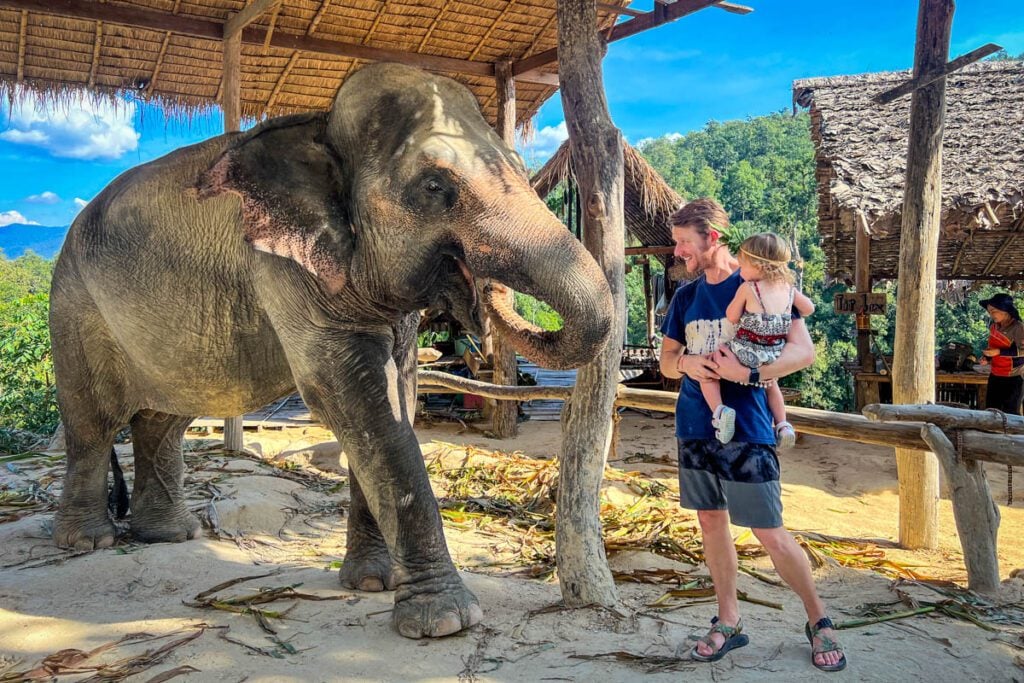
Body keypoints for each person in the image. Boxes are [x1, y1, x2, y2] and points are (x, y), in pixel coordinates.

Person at [659, 198, 846, 672]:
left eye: (684, 243)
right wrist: (688, 363)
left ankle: (818, 619)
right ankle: (729, 620)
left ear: (712, 239)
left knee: (769, 531)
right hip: (695, 423)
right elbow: (666, 360)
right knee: (710, 523)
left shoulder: (767, 285)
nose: (678, 252)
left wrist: (749, 371)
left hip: (749, 430)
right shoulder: (684, 298)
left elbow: (803, 352)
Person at [699, 232, 815, 448]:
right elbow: (809, 308)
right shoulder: (789, 290)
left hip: (745, 351)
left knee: (708, 370)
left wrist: (741, 308)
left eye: (743, 266)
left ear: (759, 266)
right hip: (773, 355)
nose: (740, 272)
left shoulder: (749, 288)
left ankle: (720, 412)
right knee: (771, 384)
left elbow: (732, 316)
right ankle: (782, 424)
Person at [979, 292, 1024, 415]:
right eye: (989, 311)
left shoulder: (1018, 327)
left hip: (1014, 378)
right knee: (991, 412)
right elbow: (992, 348)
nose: (990, 314)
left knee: (1010, 414)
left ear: (1005, 311)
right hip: (995, 375)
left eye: (993, 311)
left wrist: (999, 352)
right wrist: (987, 358)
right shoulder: (993, 327)